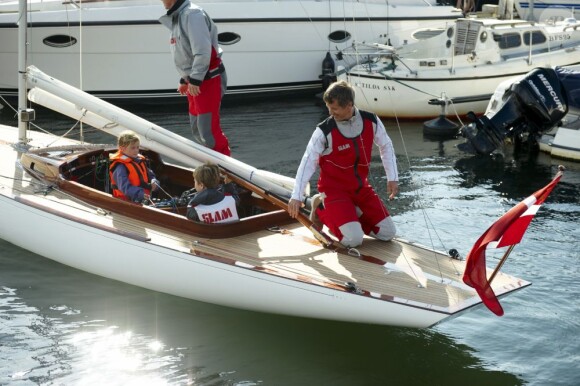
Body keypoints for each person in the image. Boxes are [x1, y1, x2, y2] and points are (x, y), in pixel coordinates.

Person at [288, 80, 399, 248]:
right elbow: (307, 162)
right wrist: (296, 196)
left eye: (335, 109)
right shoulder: (323, 131)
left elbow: (386, 146)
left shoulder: (371, 120)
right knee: (353, 240)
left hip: (361, 188)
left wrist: (392, 178)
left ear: (349, 105)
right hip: (334, 191)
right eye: (329, 108)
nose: (331, 113)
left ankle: (350, 215)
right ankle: (320, 208)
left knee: (387, 233)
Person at [159, 0, 231, 156]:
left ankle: (226, 172)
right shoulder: (179, 16)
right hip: (196, 82)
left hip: (207, 81)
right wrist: (185, 79)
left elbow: (203, 51)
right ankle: (211, 166)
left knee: (208, 131)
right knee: (197, 129)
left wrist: (195, 79)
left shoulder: (192, 14)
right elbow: (186, 53)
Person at [109, 130, 160, 202]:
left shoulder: (138, 160)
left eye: (137, 147)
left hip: (144, 199)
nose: (136, 150)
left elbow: (150, 175)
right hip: (127, 202)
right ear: (122, 148)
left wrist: (154, 181)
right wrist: (140, 193)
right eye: (133, 148)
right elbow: (124, 187)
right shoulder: (120, 167)